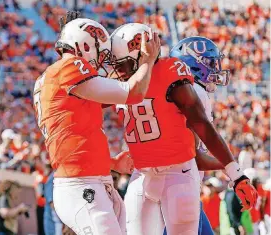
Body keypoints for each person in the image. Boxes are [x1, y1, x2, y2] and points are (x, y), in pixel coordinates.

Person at [110, 24, 258, 235]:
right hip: (167, 177)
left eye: (121, 64)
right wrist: (234, 171)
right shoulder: (145, 81)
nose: (118, 70)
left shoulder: (163, 78)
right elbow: (200, 137)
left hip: (157, 177)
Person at [33, 11, 160, 235]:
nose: (102, 61)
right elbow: (132, 92)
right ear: (85, 45)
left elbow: (75, 133)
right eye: (101, 53)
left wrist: (110, 163)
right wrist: (148, 61)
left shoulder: (57, 78)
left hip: (88, 181)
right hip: (80, 185)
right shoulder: (69, 67)